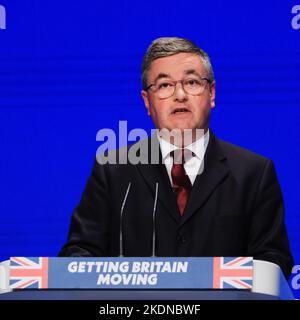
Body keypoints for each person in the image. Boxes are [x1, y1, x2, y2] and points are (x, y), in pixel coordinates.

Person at [59, 37, 294, 279]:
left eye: (192, 82)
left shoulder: (253, 173)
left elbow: (273, 262)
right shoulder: (113, 170)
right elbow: (78, 255)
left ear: (211, 94)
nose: (180, 95)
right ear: (147, 102)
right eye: (164, 86)